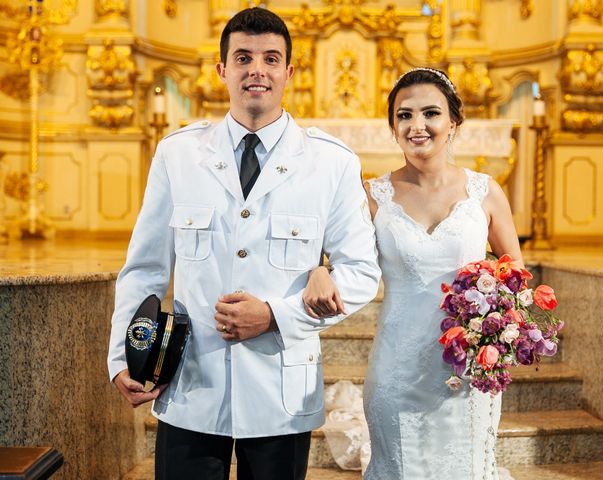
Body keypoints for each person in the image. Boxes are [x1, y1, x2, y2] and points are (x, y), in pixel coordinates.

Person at [106, 7, 380, 480]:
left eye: (271, 58)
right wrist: (122, 356)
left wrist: (275, 314)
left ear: (289, 72)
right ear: (222, 70)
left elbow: (361, 274)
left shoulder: (331, 163)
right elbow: (144, 269)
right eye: (244, 57)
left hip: (280, 389)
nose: (258, 69)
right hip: (191, 381)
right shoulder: (179, 154)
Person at [303, 68, 523, 479]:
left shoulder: (486, 192)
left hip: (467, 367)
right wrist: (319, 268)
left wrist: (497, 325)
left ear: (453, 122)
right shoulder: (371, 196)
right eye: (404, 116)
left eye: (430, 113)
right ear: (392, 127)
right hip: (398, 366)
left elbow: (516, 275)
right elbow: (330, 253)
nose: (416, 126)